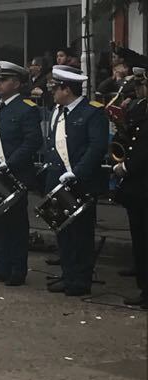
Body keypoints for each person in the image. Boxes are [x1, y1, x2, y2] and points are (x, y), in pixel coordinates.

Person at [44, 66, 108, 297]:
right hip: (58, 180)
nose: (52, 92)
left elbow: (97, 147)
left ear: (66, 89)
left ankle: (80, 280)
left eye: (55, 88)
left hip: (80, 181)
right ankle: (68, 274)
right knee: (63, 231)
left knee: (81, 233)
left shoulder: (92, 112)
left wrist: (77, 172)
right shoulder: (58, 111)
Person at [0, 61, 43, 286]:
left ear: (15, 83)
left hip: (14, 175)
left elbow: (33, 141)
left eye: (2, 80)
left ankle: (17, 268)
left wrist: (11, 163)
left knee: (16, 224)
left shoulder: (26, 108)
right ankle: (1, 265)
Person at [113, 67, 147, 307]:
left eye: (142, 83)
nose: (138, 88)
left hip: (143, 178)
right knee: (140, 236)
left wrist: (126, 167)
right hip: (138, 186)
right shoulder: (140, 106)